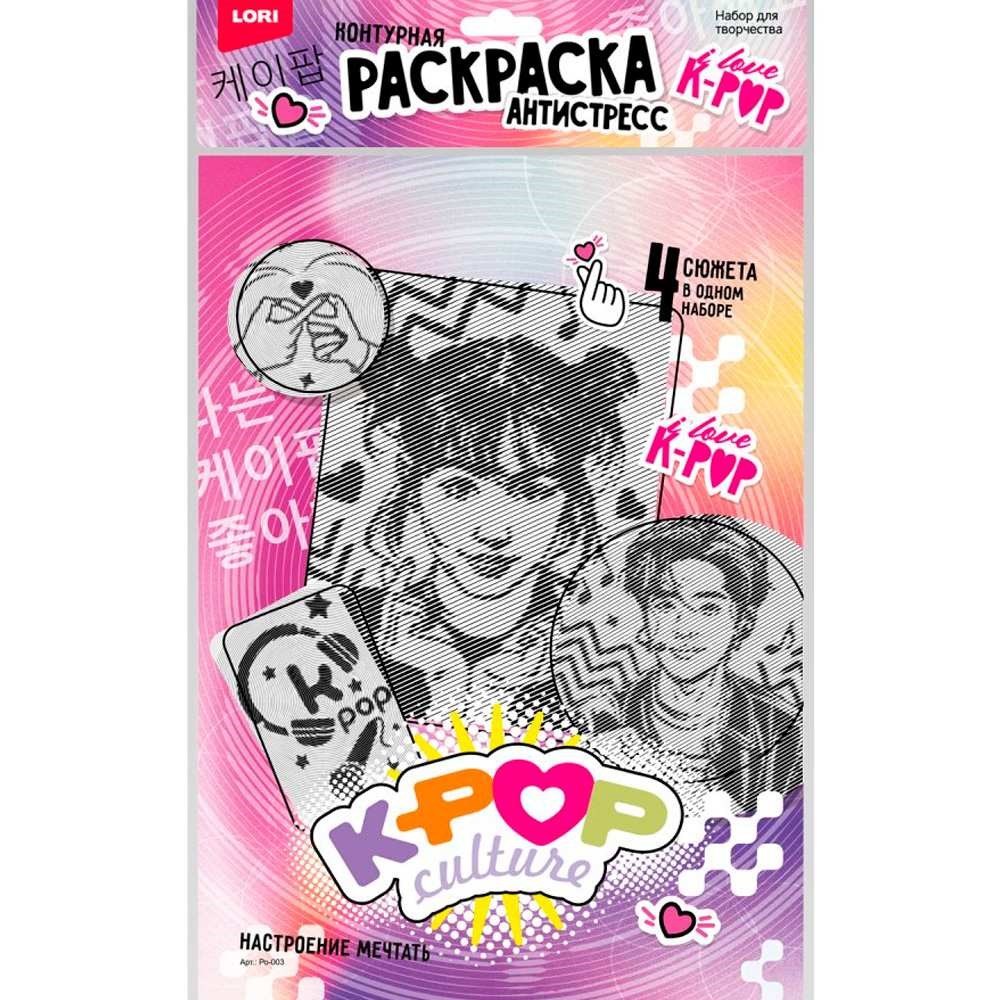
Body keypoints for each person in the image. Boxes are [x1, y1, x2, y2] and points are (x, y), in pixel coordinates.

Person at [354, 335, 638, 720]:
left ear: (572, 501)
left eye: (533, 491)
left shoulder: (610, 655)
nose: (494, 531)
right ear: (414, 487)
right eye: (458, 488)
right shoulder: (347, 625)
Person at [619, 518, 801, 808]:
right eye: (666, 606)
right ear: (646, 616)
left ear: (742, 622)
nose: (684, 628)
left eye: (708, 609)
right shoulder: (603, 715)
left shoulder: (782, 730)